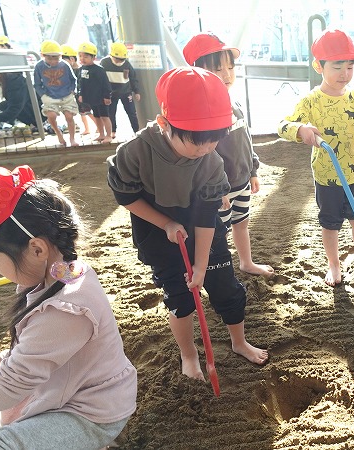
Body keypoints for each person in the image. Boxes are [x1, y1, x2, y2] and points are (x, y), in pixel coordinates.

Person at [0, 165, 137, 450]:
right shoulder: (63, 271)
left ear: (36, 249)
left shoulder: (65, 310)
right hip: (58, 394)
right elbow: (13, 359)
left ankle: (92, 441)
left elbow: (3, 390)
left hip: (90, 413)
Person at [107, 67, 268, 380]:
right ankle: (189, 354)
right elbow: (125, 196)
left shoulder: (211, 160)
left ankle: (239, 342)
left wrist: (201, 265)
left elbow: (207, 215)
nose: (206, 150)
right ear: (164, 124)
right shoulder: (135, 152)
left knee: (226, 288)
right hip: (158, 234)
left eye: (213, 141)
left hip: (203, 230)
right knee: (180, 299)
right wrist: (166, 223)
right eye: (197, 143)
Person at [277, 29, 354, 286]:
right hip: (327, 177)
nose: (345, 74)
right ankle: (334, 265)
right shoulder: (311, 101)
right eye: (337, 67)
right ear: (318, 66)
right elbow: (283, 125)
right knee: (330, 223)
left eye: (350, 67)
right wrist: (301, 129)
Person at [183, 32, 274, 278]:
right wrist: (217, 186)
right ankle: (219, 273)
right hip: (218, 189)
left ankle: (246, 262)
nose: (227, 75)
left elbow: (246, 140)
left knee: (241, 222)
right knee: (216, 233)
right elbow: (202, 155)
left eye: (230, 67)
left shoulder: (235, 104)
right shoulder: (200, 111)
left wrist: (253, 170)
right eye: (217, 69)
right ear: (197, 71)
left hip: (241, 182)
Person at [33, 40, 79, 146]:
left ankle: (72, 139)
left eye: (56, 58)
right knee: (51, 115)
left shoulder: (65, 65)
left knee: (69, 116)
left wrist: (73, 90)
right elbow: (37, 84)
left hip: (66, 95)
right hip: (49, 96)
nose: (53, 61)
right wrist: (43, 95)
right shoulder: (39, 66)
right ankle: (58, 132)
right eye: (50, 58)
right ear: (43, 55)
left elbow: (73, 79)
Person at [100, 42, 140, 139]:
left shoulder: (127, 64)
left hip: (126, 92)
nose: (119, 61)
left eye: (122, 59)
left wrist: (136, 91)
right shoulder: (104, 63)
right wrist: (103, 94)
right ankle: (113, 131)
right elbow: (100, 80)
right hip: (111, 93)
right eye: (117, 59)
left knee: (131, 112)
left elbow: (133, 78)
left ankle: (136, 131)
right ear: (111, 55)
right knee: (111, 112)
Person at [76, 42, 112, 143]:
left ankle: (109, 135)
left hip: (101, 98)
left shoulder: (99, 70)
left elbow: (105, 84)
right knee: (96, 116)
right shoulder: (81, 69)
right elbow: (80, 83)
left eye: (86, 56)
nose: (82, 58)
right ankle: (101, 134)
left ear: (93, 57)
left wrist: (107, 96)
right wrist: (80, 94)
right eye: (80, 56)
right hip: (91, 98)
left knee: (105, 116)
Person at [61, 44, 96, 136]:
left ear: (72, 59)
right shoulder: (68, 71)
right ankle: (87, 128)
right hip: (77, 95)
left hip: (83, 95)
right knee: (82, 113)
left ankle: (99, 126)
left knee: (88, 112)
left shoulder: (81, 70)